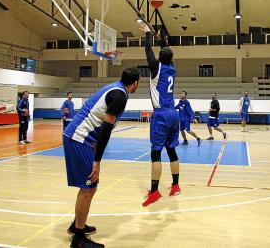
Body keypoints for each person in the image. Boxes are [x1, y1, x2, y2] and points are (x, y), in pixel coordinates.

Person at [63, 68, 140, 248]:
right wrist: (97, 161)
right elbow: (105, 130)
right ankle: (79, 240)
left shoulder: (115, 88)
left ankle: (77, 225)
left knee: (90, 187)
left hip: (79, 137)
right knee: (88, 187)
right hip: (79, 138)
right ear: (135, 82)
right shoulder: (119, 96)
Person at [140, 23, 181, 207]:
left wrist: (148, 34)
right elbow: (163, 52)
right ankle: (175, 186)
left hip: (161, 115)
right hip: (173, 113)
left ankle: (155, 192)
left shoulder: (156, 68)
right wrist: (161, 38)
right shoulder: (172, 68)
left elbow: (148, 50)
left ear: (160, 57)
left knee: (155, 153)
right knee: (172, 151)